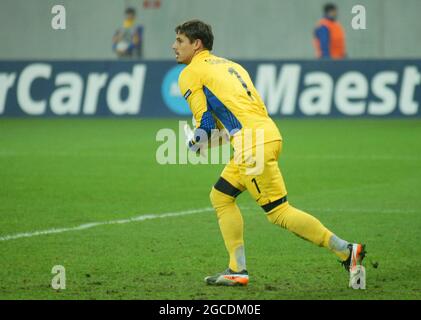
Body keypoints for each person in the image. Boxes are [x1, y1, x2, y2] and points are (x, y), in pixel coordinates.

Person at [172, 20, 365, 286]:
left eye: (180, 41)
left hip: (251, 145)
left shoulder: (190, 73)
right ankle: (236, 269)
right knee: (220, 196)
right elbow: (233, 121)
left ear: (197, 44)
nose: (174, 46)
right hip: (265, 135)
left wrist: (194, 142)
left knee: (279, 212)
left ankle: (345, 250)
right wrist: (205, 141)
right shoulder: (231, 66)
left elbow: (205, 125)